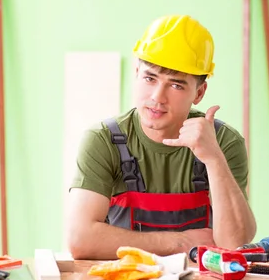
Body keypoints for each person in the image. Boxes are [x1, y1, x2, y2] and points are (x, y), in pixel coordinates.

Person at [66, 15, 257, 260]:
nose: (158, 96)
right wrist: (182, 242)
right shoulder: (104, 141)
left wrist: (214, 159)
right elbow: (81, 240)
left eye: (176, 85)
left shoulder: (224, 142)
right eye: (150, 78)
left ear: (199, 93)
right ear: (136, 73)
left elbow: (234, 243)